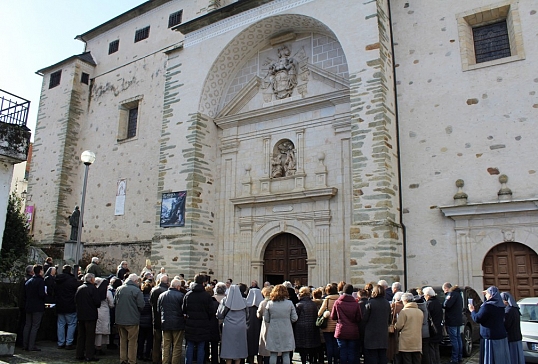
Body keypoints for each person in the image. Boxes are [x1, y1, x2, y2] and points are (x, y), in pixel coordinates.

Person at [469, 286, 510, 364]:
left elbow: (477, 318)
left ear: (491, 295)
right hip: (500, 335)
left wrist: (472, 311)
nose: (485, 295)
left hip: (490, 337)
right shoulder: (501, 306)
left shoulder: (487, 306)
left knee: (491, 358)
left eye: (487, 294)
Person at [114, 273, 145, 364]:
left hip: (120, 319)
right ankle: (131, 360)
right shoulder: (136, 290)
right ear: (135, 281)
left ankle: (123, 359)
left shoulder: (119, 289)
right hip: (132, 319)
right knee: (132, 341)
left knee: (122, 340)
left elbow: (115, 302)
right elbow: (141, 305)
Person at [264, 284, 298, 364]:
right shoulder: (289, 303)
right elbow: (294, 318)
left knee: (273, 353)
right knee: (286, 353)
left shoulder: (270, 303)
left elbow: (266, 319)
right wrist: (287, 320)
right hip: (286, 329)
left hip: (274, 329)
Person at [183, 274, 213, 364]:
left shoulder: (188, 295)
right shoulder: (206, 296)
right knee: (201, 346)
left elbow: (183, 309)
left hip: (190, 324)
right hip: (203, 324)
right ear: (203, 283)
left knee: (190, 346)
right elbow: (211, 311)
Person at [218, 284, 249, 364]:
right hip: (241, 326)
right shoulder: (244, 301)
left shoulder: (225, 301)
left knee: (229, 348)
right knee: (239, 348)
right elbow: (247, 314)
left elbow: (220, 314)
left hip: (228, 327)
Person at [331, 284, 361, 364]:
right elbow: (359, 318)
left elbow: (333, 316)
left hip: (341, 330)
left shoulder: (337, 303)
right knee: (351, 352)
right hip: (353, 330)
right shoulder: (356, 304)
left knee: (342, 351)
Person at [158, 278, 186, 364]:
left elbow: (159, 309)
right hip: (178, 323)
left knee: (166, 346)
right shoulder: (181, 296)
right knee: (177, 346)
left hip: (165, 322)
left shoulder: (162, 295)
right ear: (178, 287)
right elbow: (184, 310)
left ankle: (165, 362)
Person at [362, 284, 391, 364]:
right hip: (383, 333)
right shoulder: (386, 303)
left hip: (371, 333)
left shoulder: (370, 303)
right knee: (382, 356)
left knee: (372, 356)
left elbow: (364, 318)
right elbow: (389, 319)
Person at [75, 273, 101, 362]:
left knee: (81, 335)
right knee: (90, 336)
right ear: (92, 280)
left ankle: (79, 354)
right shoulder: (93, 289)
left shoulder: (79, 288)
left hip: (81, 314)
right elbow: (97, 302)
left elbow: (76, 300)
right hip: (90, 315)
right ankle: (89, 355)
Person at [394, 293, 423, 364]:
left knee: (407, 360)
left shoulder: (404, 312)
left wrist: (394, 326)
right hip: (417, 341)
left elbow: (398, 326)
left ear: (405, 300)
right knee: (417, 360)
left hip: (406, 341)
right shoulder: (420, 311)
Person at [23, 264, 46, 352]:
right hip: (37, 306)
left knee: (27, 325)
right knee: (35, 326)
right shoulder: (40, 281)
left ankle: (25, 344)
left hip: (29, 306)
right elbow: (41, 294)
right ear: (40, 271)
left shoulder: (28, 281)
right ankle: (31, 345)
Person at [55, 265, 79, 350]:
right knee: (71, 324)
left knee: (60, 324)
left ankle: (60, 342)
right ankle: (69, 343)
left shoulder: (57, 280)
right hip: (70, 304)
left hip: (60, 304)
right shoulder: (72, 280)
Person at [500, 291, 525, 364]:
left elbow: (506, 324)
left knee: (512, 358)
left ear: (505, 300)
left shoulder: (508, 310)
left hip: (511, 338)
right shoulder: (515, 309)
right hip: (517, 337)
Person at [318, 283, 339, 364]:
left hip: (327, 327)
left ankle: (330, 361)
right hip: (337, 325)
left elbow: (319, 313)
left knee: (329, 345)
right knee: (336, 344)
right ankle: (336, 360)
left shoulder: (327, 300)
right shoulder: (339, 299)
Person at [442, 282, 463, 364]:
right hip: (458, 320)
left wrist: (446, 297)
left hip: (452, 320)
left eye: (444, 290)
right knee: (458, 339)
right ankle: (459, 357)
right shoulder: (458, 294)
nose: (444, 292)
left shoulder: (451, 294)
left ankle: (454, 359)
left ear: (446, 288)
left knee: (454, 340)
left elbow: (446, 305)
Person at [150, 275, 169, 364]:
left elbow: (151, 303)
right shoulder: (166, 292)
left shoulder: (154, 290)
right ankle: (164, 359)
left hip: (155, 318)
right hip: (164, 319)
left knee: (156, 341)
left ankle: (155, 358)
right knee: (165, 342)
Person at [95, 277, 113, 355]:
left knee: (97, 330)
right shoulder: (107, 292)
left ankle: (96, 346)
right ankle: (100, 347)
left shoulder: (94, 290)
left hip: (95, 311)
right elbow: (111, 304)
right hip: (104, 312)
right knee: (102, 330)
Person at [246, 286, 264, 364]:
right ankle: (259, 361)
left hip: (249, 328)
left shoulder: (246, 306)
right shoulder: (262, 305)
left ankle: (251, 361)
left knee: (250, 346)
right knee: (259, 346)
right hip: (259, 328)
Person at [137, 280, 153, 362]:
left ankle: (139, 354)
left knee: (141, 339)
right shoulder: (150, 300)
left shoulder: (140, 298)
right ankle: (147, 354)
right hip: (149, 321)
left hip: (140, 321)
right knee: (149, 340)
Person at [257, 286, 273, 364]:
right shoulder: (275, 302)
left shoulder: (263, 302)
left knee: (265, 344)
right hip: (274, 324)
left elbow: (259, 314)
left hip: (266, 325)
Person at [388, 291, 403, 363]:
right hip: (404, 330)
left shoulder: (393, 306)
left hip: (394, 329)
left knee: (394, 347)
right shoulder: (405, 306)